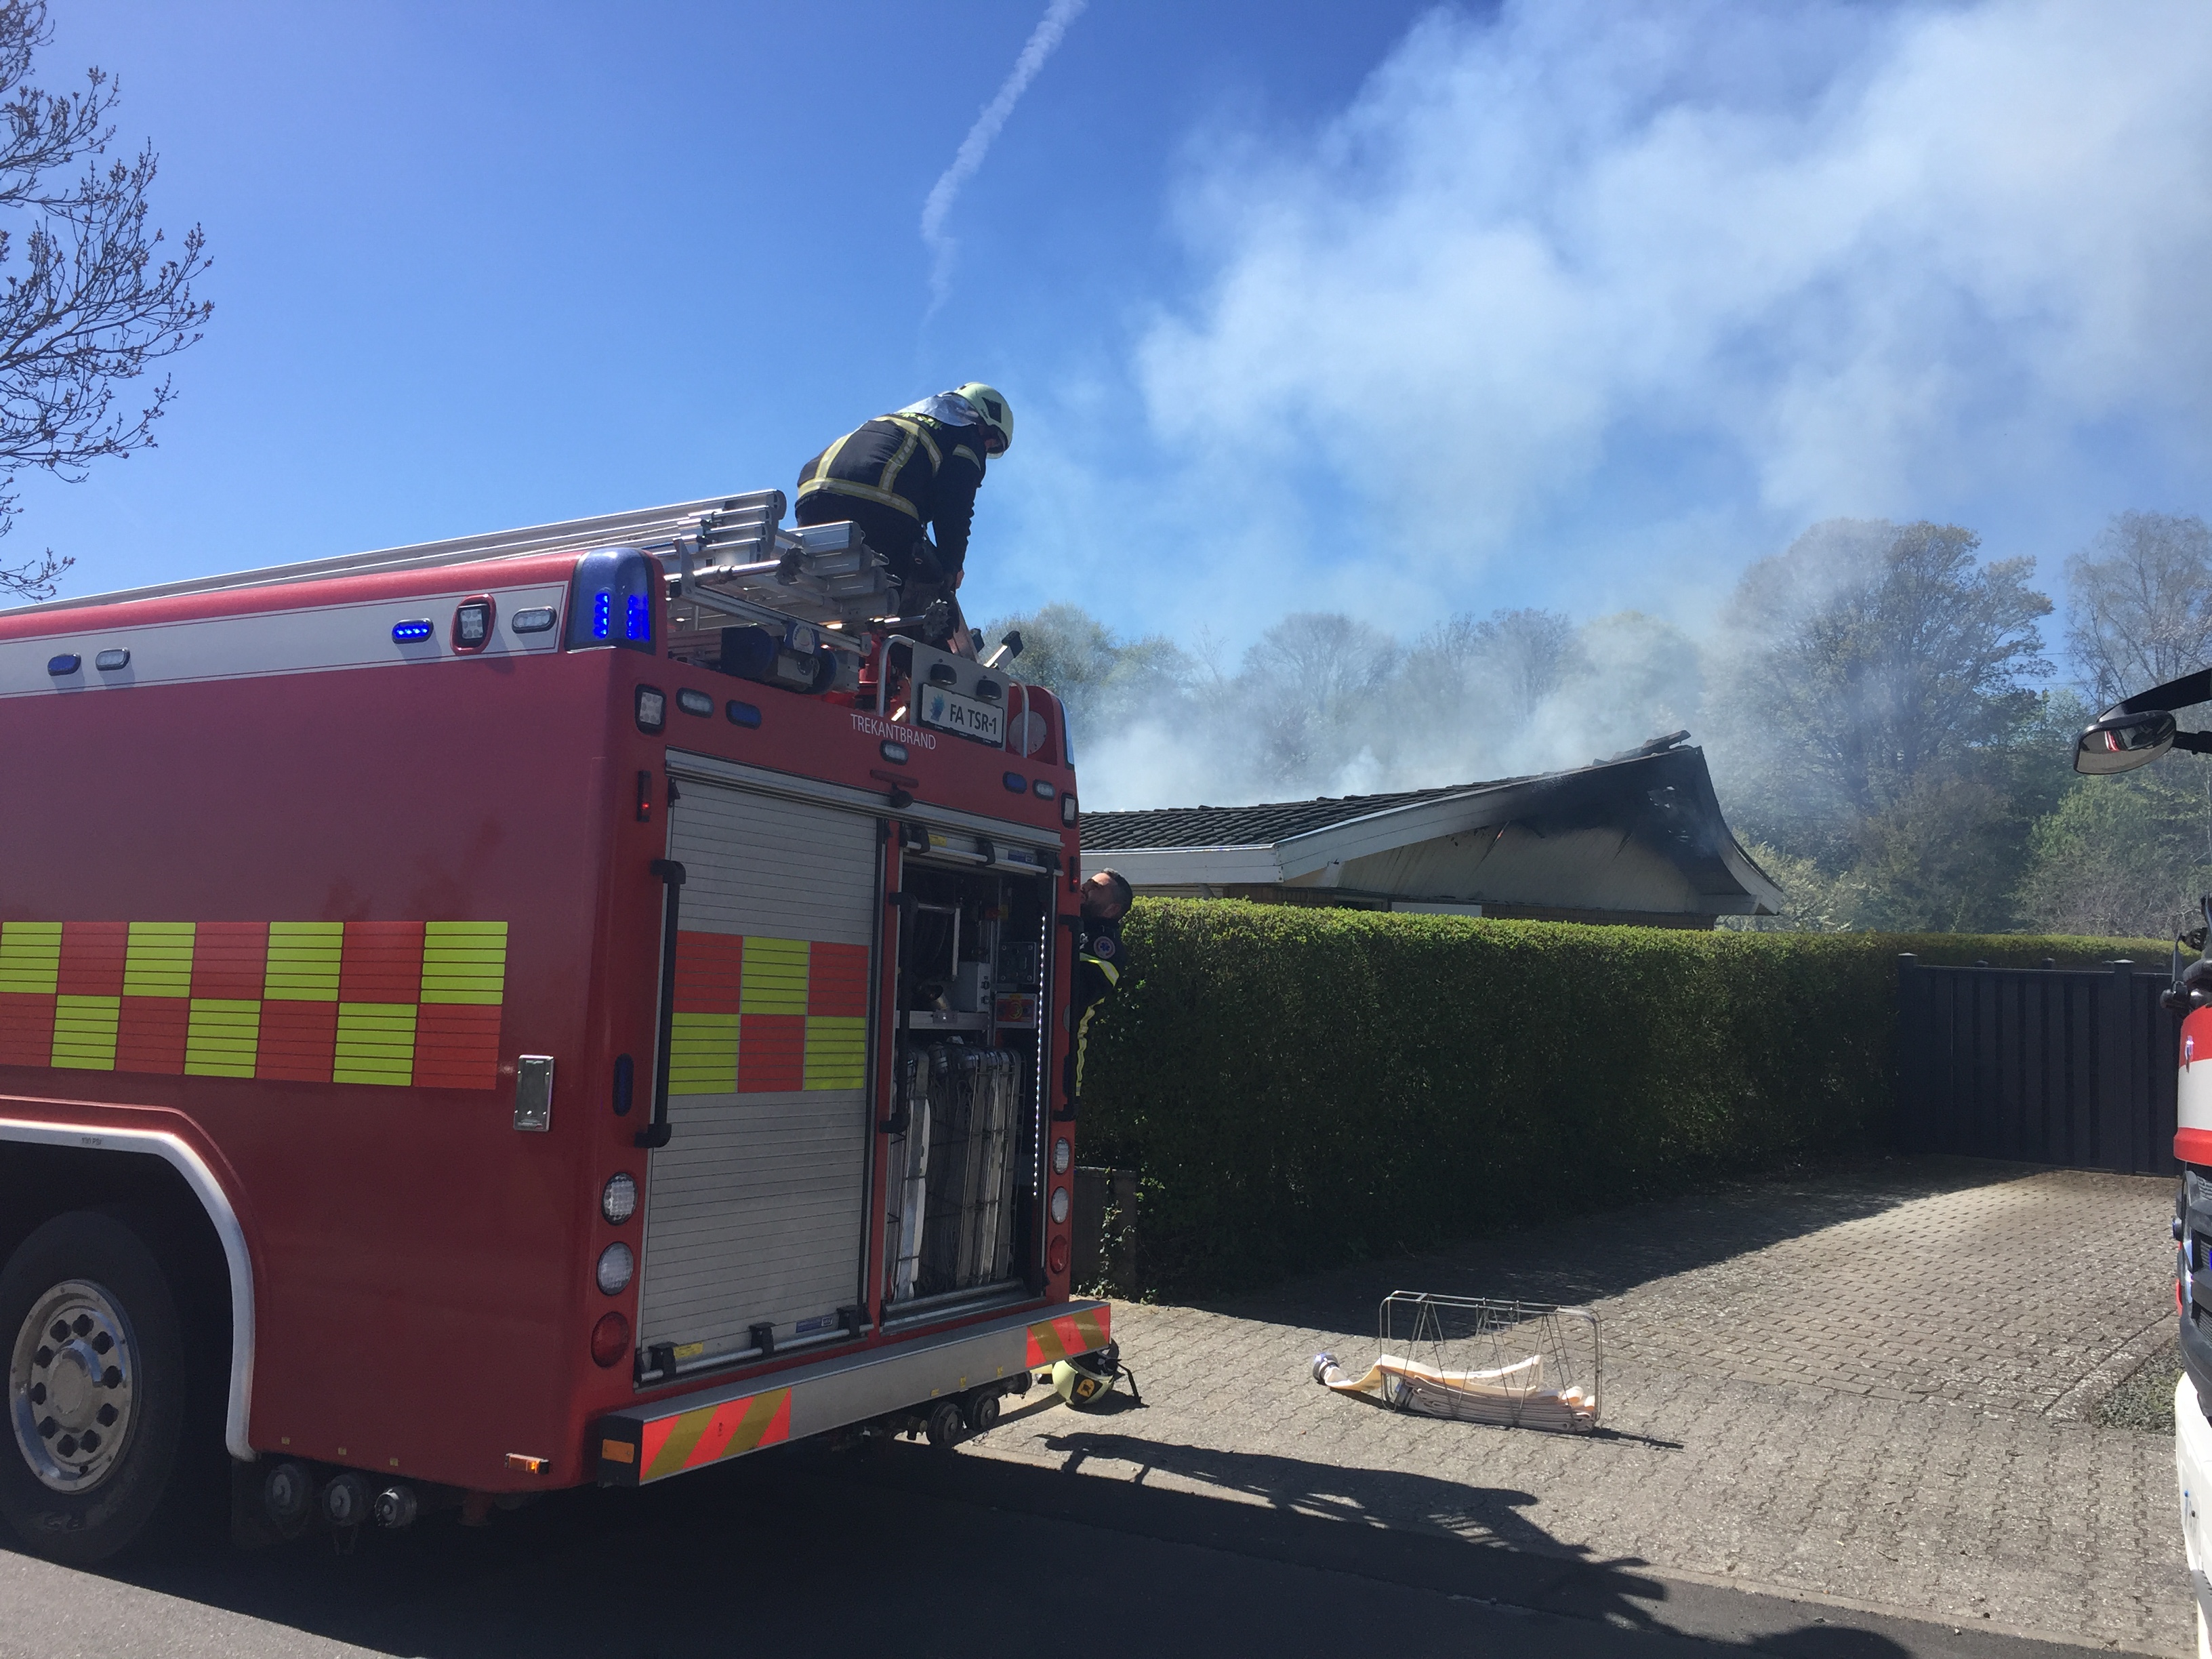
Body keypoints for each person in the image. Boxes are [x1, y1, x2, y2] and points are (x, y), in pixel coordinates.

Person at [794, 384, 1012, 629]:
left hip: (811, 499)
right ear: (981, 416)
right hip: (875, 502)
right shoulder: (964, 433)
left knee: (829, 588)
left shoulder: (900, 420)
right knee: (901, 595)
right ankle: (894, 640)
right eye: (992, 438)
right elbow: (955, 508)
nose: (987, 446)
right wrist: (951, 569)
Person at [1061, 868, 1132, 1119]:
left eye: (1096, 888)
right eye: (1089, 882)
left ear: (1112, 909)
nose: (1085, 887)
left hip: (1063, 1060)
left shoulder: (1107, 948)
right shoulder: (1069, 922)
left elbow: (1074, 993)